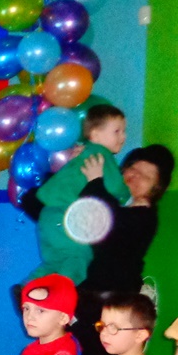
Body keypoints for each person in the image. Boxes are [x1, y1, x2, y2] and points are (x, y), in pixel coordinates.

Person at [73, 145, 175, 355]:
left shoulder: (145, 216)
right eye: (133, 169)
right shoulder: (123, 207)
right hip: (93, 295)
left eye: (146, 176)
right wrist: (82, 158)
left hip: (116, 300)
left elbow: (107, 223)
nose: (135, 176)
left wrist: (95, 182)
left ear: (156, 188)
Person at [30, 105, 129, 285]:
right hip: (65, 217)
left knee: (55, 262)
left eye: (124, 131)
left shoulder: (82, 154)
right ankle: (60, 292)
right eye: (117, 131)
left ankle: (29, 288)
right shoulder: (101, 155)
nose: (123, 137)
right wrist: (128, 198)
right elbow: (115, 186)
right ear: (95, 135)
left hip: (49, 217)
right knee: (79, 258)